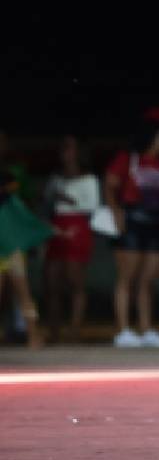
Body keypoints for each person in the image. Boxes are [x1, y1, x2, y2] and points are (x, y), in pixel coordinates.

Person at [105, 112, 159, 348]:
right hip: (132, 221)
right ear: (151, 136)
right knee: (126, 277)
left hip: (158, 224)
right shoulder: (128, 158)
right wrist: (116, 212)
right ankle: (122, 330)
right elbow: (110, 185)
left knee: (147, 280)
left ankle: (146, 329)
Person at [43, 135, 101, 343]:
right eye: (64, 148)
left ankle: (74, 329)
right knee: (51, 281)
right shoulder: (56, 178)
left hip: (77, 227)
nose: (66, 152)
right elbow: (46, 204)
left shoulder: (89, 178)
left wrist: (69, 200)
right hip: (56, 227)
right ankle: (54, 330)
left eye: (70, 148)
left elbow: (93, 207)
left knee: (74, 280)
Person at [0, 129, 54, 348]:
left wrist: (31, 234)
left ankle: (33, 335)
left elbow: (23, 204)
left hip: (12, 243)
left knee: (23, 292)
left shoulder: (13, 173)